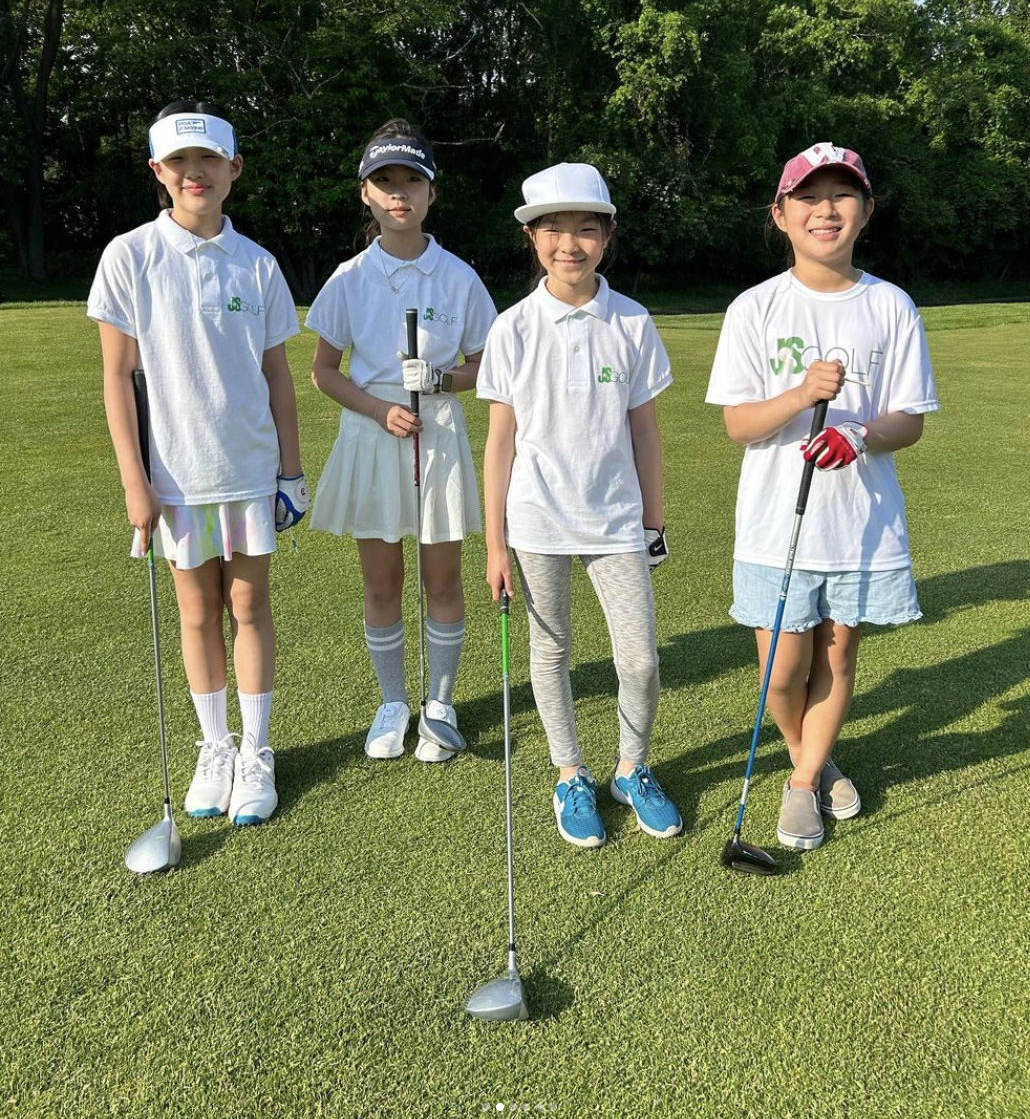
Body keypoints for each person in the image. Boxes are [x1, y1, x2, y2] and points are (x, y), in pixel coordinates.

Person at [706, 142, 938, 851]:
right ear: (780, 214)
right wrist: (802, 394)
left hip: (858, 523)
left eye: (842, 196)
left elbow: (912, 418)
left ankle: (803, 779)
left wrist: (860, 436)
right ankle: (811, 751)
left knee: (837, 661)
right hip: (777, 523)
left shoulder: (890, 305)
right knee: (782, 671)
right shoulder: (754, 307)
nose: (825, 210)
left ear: (865, 211)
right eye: (807, 197)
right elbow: (738, 424)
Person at [88, 100, 307, 827]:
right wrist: (134, 482)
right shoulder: (130, 256)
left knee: (248, 606)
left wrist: (292, 470)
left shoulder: (259, 263)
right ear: (157, 171)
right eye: (179, 162)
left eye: (208, 160)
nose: (195, 173)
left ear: (233, 169)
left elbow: (278, 375)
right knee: (197, 613)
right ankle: (214, 747)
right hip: (175, 476)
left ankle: (257, 750)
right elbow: (118, 376)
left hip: (248, 468)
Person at [478, 162, 682, 849]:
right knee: (551, 650)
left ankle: (632, 768)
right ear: (532, 237)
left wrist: (654, 521)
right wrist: (493, 544)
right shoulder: (513, 327)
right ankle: (570, 772)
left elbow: (644, 430)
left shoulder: (631, 321)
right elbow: (500, 440)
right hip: (536, 518)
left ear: (607, 236)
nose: (570, 243)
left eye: (586, 229)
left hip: (616, 519)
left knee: (641, 660)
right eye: (554, 229)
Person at [307, 119, 496, 761]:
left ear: (431, 194)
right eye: (385, 181)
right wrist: (379, 407)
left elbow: (489, 365)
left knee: (442, 579)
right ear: (366, 193)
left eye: (411, 180)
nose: (399, 193)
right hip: (372, 432)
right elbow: (323, 371)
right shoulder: (348, 278)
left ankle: (438, 704)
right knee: (381, 581)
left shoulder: (459, 277)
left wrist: (443, 377)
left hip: (437, 433)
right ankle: (392, 703)